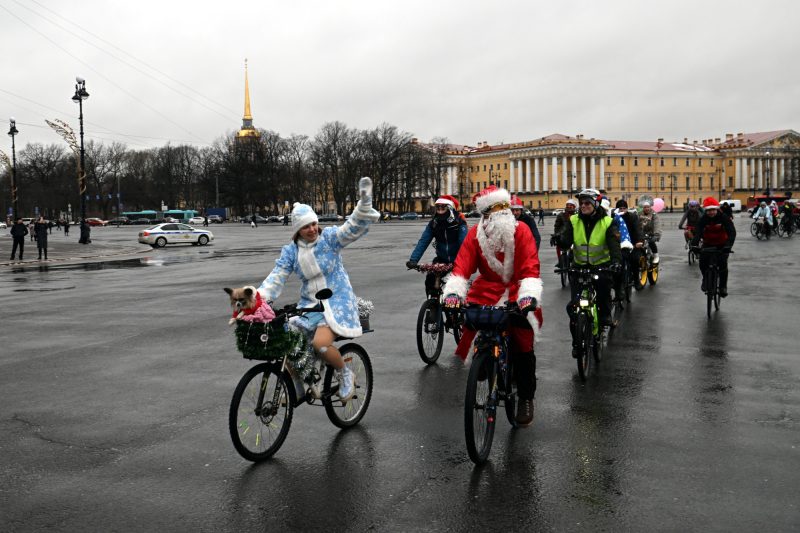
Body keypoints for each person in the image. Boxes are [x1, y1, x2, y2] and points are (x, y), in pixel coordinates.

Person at [257, 177, 380, 401]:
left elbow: (351, 228)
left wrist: (364, 203)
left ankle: (345, 374)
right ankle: (304, 381)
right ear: (297, 230)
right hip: (310, 306)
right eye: (305, 226)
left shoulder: (329, 239)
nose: (312, 229)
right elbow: (276, 277)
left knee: (320, 344)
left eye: (313, 224)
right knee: (287, 340)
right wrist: (258, 300)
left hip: (338, 302)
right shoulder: (291, 252)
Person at [442, 186, 543, 427]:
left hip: (518, 288)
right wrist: (454, 292)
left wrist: (528, 295)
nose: (499, 216)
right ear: (484, 215)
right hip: (487, 288)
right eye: (492, 212)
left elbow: (530, 267)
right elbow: (462, 265)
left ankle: (526, 398)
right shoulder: (476, 234)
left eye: (503, 210)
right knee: (473, 319)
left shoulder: (523, 231)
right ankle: (484, 358)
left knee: (522, 340)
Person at [558, 188, 621, 354]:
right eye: (582, 203)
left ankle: (606, 316)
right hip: (579, 267)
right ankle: (576, 342)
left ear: (595, 204)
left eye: (587, 203)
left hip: (601, 265)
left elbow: (614, 245)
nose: (583, 206)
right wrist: (559, 239)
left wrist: (615, 262)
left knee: (603, 292)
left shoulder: (607, 222)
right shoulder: (573, 220)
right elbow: (566, 240)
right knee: (573, 307)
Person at [406, 195, 468, 296]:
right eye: (437, 207)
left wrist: (466, 261)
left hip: (458, 260)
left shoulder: (459, 223)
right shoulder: (433, 224)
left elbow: (464, 243)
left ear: (450, 208)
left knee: (455, 287)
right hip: (441, 260)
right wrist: (413, 260)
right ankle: (432, 305)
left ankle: (456, 307)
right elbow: (423, 241)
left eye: (443, 207)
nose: (439, 210)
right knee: (430, 280)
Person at [691, 197, 736, 297]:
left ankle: (723, 287)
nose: (711, 212)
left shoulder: (724, 218)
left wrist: (728, 246)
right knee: (702, 262)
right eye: (708, 210)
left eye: (713, 210)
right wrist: (694, 244)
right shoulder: (703, 219)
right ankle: (705, 279)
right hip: (708, 244)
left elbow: (732, 232)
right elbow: (698, 233)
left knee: (723, 264)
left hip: (722, 245)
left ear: (716, 209)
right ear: (706, 210)